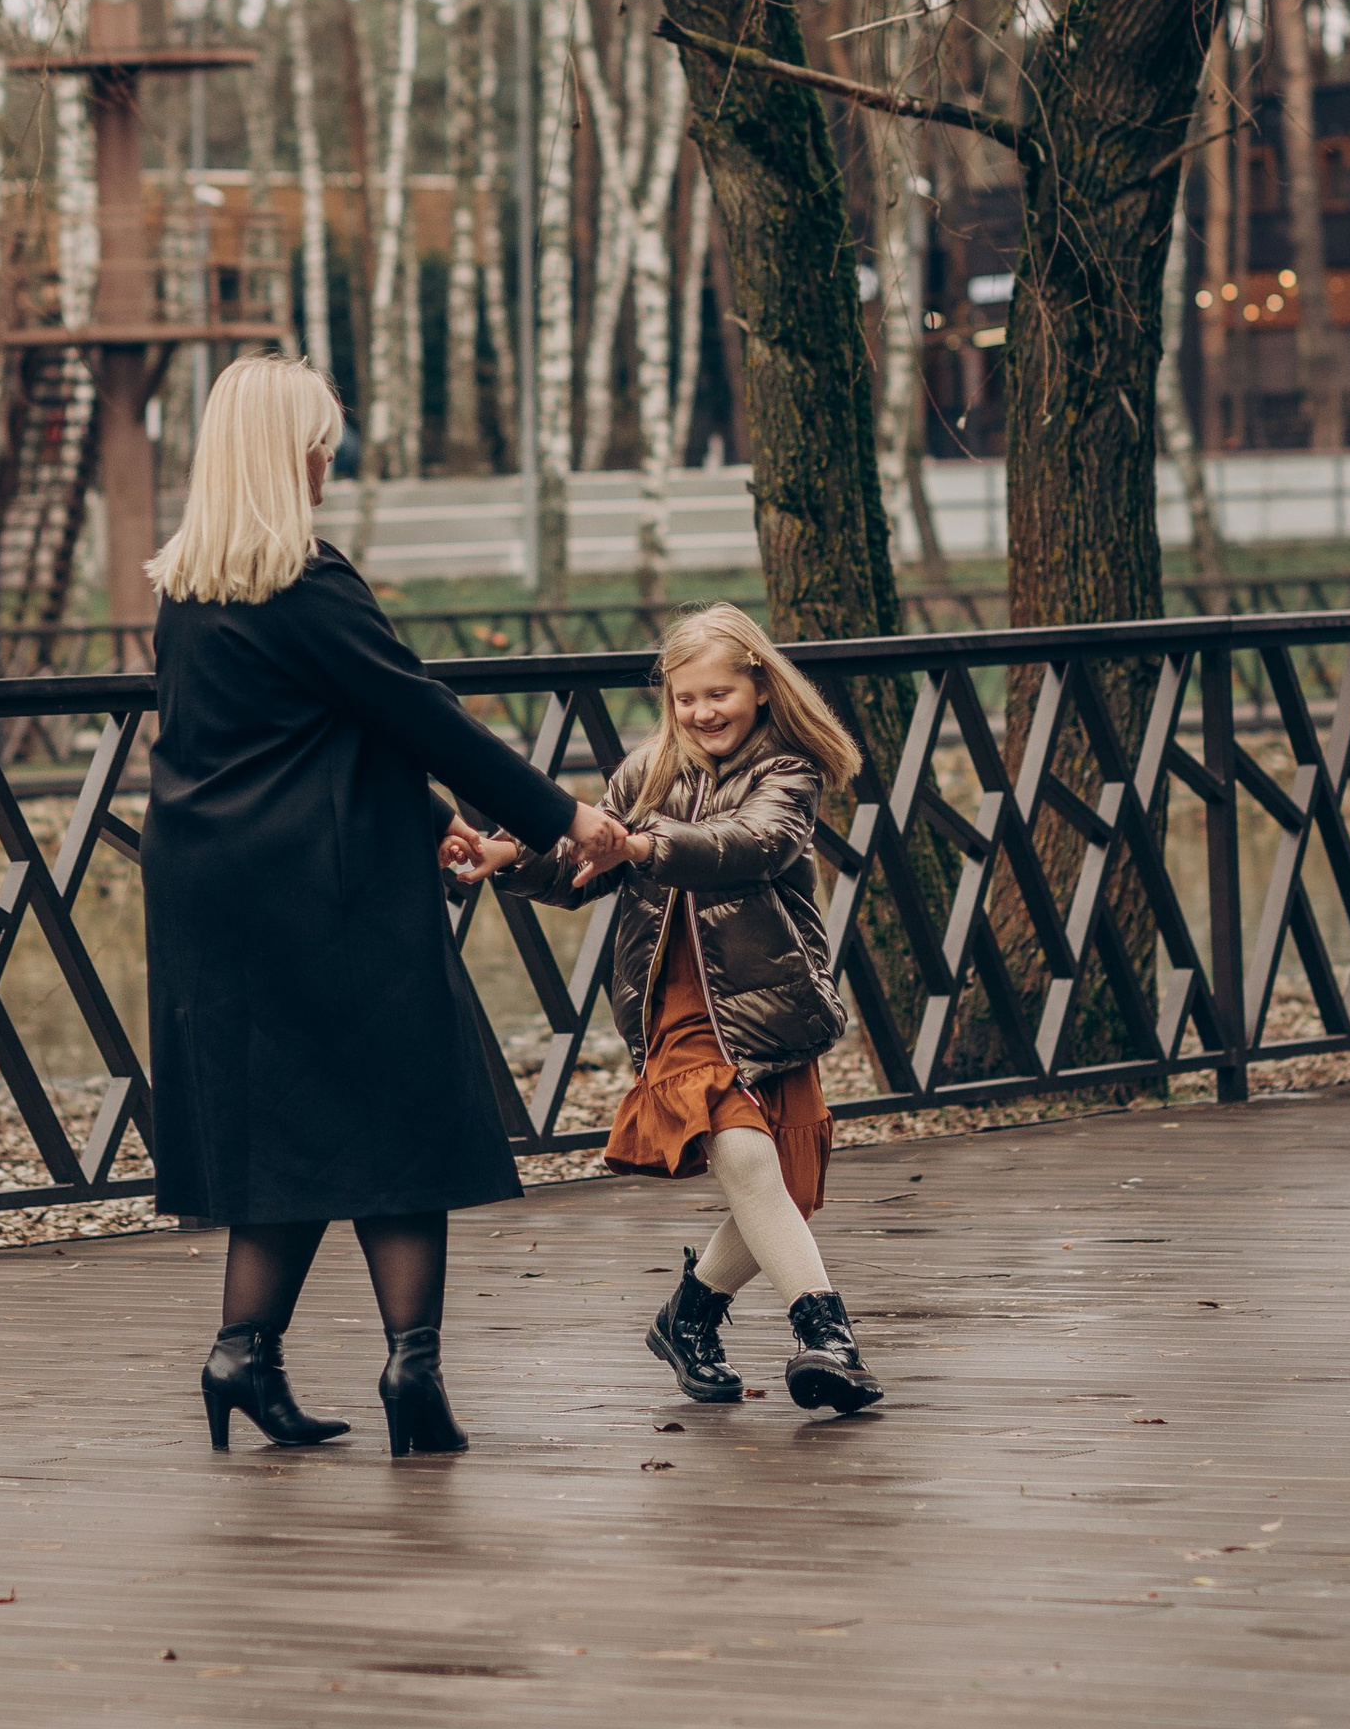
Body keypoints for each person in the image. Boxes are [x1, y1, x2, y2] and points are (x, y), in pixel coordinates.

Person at [141, 353, 631, 1456]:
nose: (327, 458)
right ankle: (413, 1374)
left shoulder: (186, 588)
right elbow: (417, 714)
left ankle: (242, 1353)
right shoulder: (304, 582)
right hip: (328, 892)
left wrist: (424, 821)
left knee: (284, 1124)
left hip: (212, 893)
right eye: (319, 440)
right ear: (287, 454)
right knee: (400, 1115)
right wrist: (562, 816)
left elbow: (288, 740)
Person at [445, 601, 884, 1417]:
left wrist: (642, 843)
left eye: (719, 693)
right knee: (751, 1165)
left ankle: (688, 1318)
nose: (702, 712)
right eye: (686, 698)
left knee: (789, 1182)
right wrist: (507, 852)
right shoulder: (647, 772)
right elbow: (581, 857)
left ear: (759, 683)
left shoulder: (788, 770)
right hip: (674, 1002)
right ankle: (829, 1338)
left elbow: (749, 844)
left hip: (766, 1002)